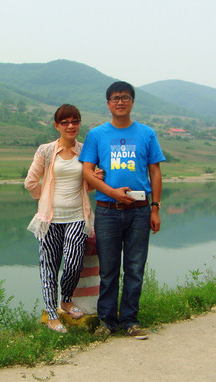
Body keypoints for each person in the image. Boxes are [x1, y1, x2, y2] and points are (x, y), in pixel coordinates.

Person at [79, 81, 165, 340]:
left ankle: (130, 321)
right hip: (108, 211)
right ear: (108, 103)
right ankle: (107, 322)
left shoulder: (147, 133)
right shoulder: (96, 134)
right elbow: (86, 171)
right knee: (108, 269)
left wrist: (155, 208)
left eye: (125, 97)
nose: (120, 102)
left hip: (140, 211)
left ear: (132, 102)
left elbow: (155, 171)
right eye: (115, 98)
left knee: (135, 268)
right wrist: (111, 191)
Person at [25, 104, 98, 333]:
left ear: (79, 124)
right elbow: (30, 182)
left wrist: (96, 177)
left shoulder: (86, 150)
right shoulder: (45, 150)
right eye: (65, 122)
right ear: (56, 125)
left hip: (78, 216)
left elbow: (89, 186)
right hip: (49, 219)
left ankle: (66, 299)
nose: (70, 126)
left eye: (75, 121)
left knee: (74, 262)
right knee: (49, 267)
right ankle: (53, 313)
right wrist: (44, 200)